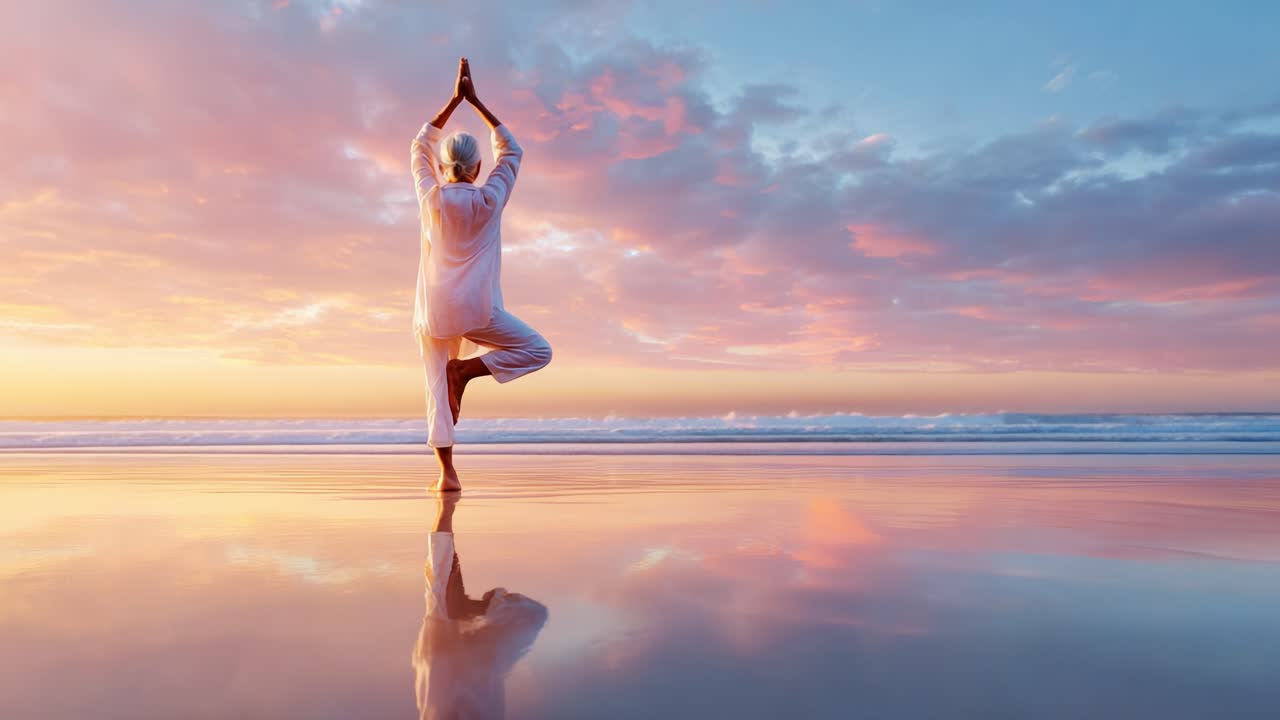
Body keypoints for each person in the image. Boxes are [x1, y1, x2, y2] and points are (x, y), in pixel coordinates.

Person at [412, 58, 552, 492]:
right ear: (475, 169)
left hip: (434, 311)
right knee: (538, 351)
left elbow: (419, 147)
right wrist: (477, 103)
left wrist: (453, 102)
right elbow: (512, 151)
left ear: (446, 167)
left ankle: (447, 476)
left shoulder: (430, 198)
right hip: (478, 310)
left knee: (436, 385)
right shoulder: (490, 199)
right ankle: (468, 372)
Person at [412, 494, 548, 718]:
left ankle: (446, 498)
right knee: (438, 593)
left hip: (450, 670)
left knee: (439, 596)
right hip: (450, 669)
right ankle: (474, 606)